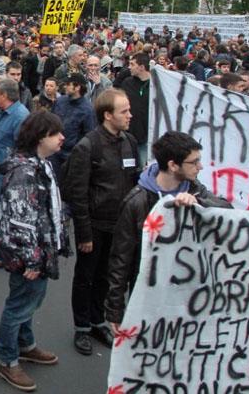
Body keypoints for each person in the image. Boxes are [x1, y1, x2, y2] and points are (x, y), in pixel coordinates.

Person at [105, 132, 232, 334]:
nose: (200, 167)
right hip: (151, 292)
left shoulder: (195, 190)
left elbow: (227, 210)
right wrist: (115, 310)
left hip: (189, 292)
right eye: (194, 162)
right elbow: (121, 259)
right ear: (173, 165)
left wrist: (200, 203)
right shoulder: (136, 202)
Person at [0, 111, 68, 392]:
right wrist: (32, 259)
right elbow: (20, 220)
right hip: (30, 255)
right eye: (56, 133)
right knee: (20, 304)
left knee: (28, 301)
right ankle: (6, 359)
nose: (62, 137)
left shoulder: (40, 164)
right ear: (40, 137)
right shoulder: (24, 171)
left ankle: (25, 344)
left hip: (39, 250)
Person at [60, 88, 138, 356]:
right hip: (93, 225)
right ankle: (81, 327)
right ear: (107, 115)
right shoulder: (88, 146)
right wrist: (84, 234)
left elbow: (135, 183)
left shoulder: (129, 142)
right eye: (124, 111)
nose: (130, 115)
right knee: (85, 277)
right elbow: (77, 193)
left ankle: (97, 321)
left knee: (106, 276)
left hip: (119, 226)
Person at [50, 73, 97, 174]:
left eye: (68, 84)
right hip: (54, 153)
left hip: (71, 157)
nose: (65, 86)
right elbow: (51, 122)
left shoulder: (87, 110)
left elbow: (89, 136)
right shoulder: (60, 101)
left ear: (77, 87)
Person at [120, 52, 151, 164]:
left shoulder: (155, 86)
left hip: (145, 137)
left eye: (132, 64)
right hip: (127, 135)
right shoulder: (127, 83)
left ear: (142, 67)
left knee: (142, 166)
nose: (129, 67)